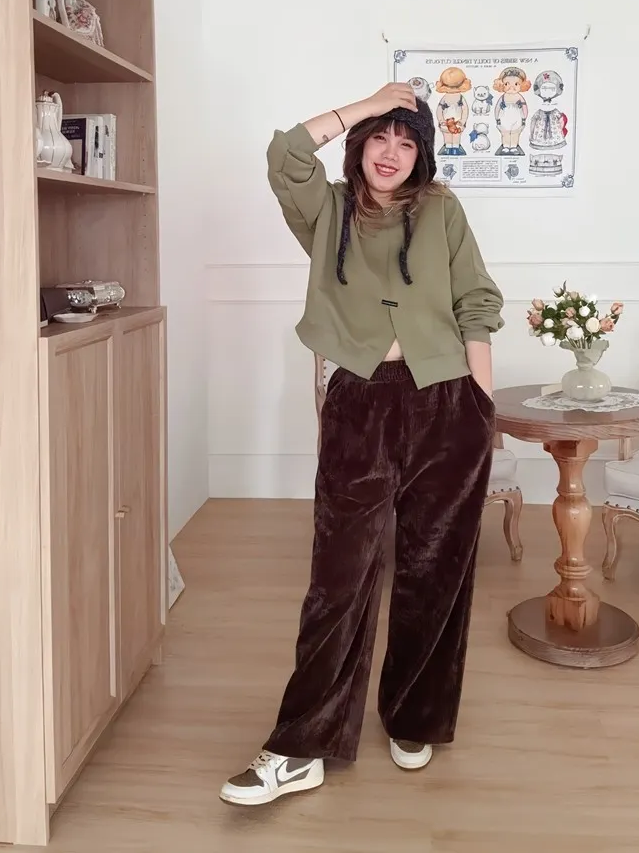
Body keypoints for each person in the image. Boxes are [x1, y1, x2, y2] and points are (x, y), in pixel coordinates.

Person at [219, 82, 504, 807]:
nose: (391, 153)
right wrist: (371, 100)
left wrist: (481, 404)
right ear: (360, 142)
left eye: (407, 142)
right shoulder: (328, 210)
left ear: (421, 155)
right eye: (380, 136)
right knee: (339, 577)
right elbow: (286, 155)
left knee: (435, 569)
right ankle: (300, 747)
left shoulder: (442, 211)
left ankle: (414, 716)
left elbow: (475, 301)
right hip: (360, 401)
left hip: (448, 399)